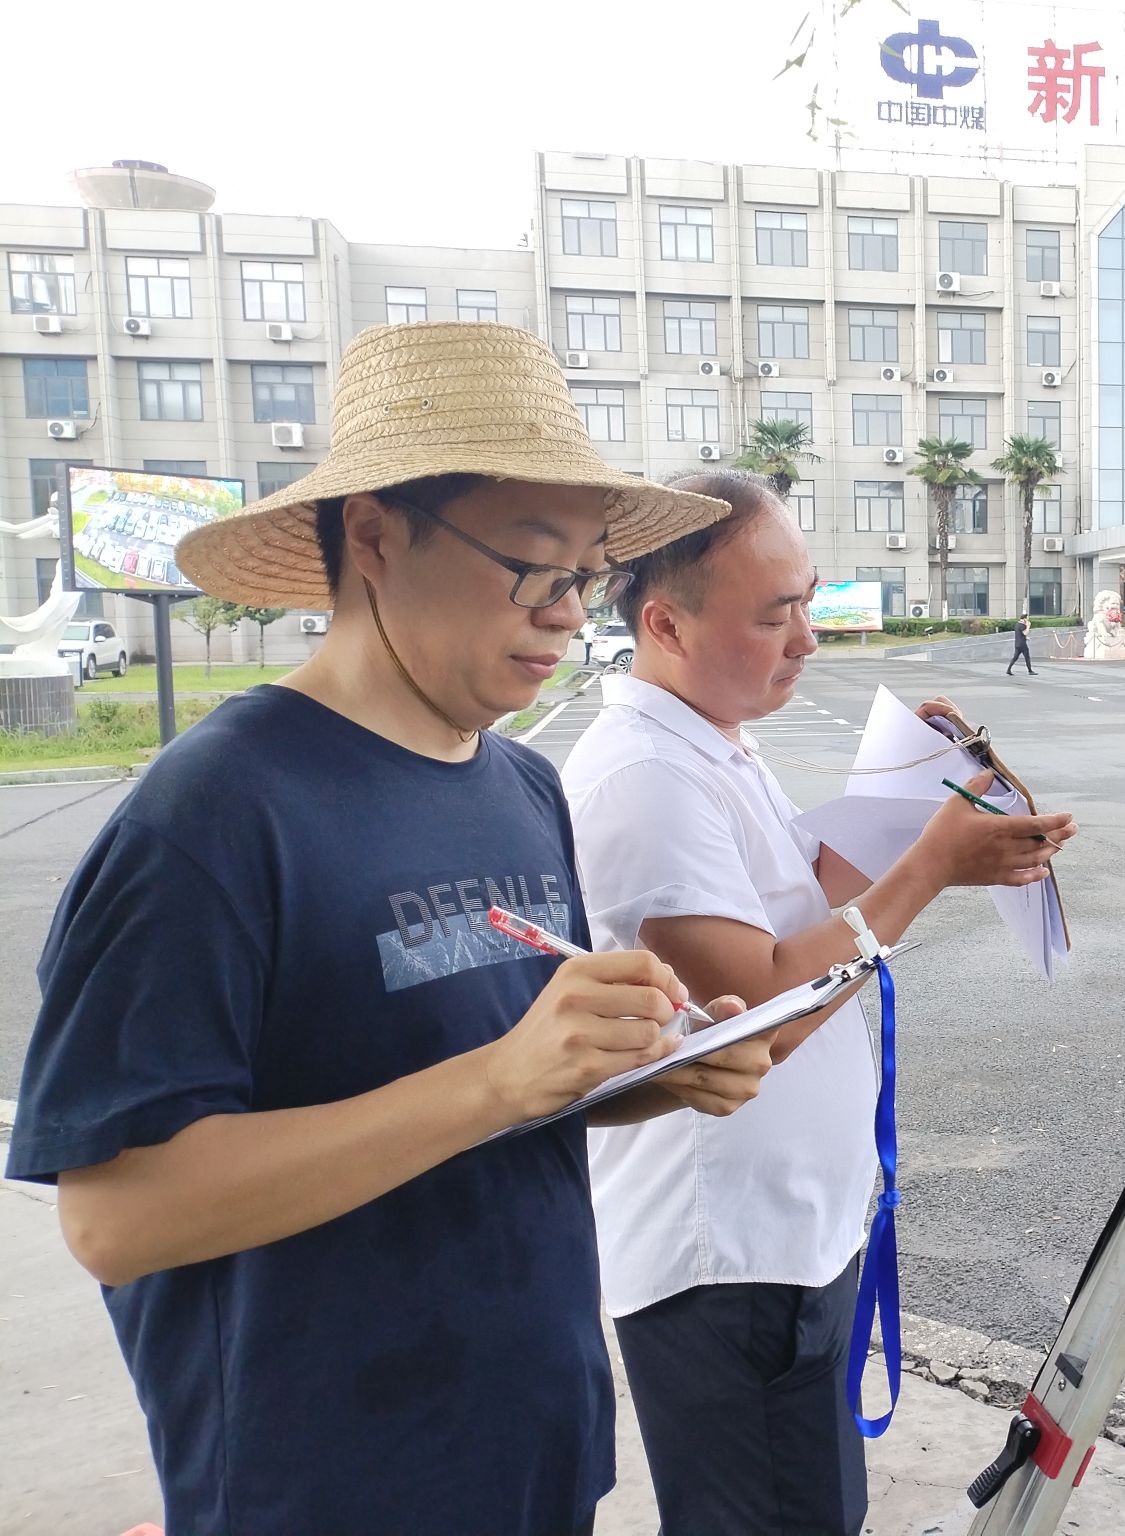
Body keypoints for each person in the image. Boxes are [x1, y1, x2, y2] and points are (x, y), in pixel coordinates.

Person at [3, 322, 779, 1536]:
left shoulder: (520, 787)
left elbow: (503, 1091)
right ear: (372, 535)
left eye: (585, 576)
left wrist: (645, 1072)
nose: (567, 614)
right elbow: (116, 1218)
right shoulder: (215, 813)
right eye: (533, 565)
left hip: (532, 1441)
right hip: (324, 1483)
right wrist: (498, 1079)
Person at [562, 470, 1079, 1536]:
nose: (806, 637)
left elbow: (798, 895)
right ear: (666, 623)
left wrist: (913, 791)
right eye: (773, 615)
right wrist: (928, 867)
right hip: (728, 1260)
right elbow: (755, 1008)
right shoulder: (644, 777)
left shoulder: (708, 735)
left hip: (789, 1232)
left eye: (805, 601)